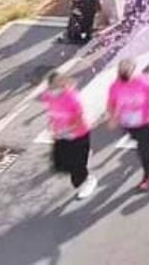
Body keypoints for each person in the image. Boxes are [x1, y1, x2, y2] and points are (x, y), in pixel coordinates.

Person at [105, 58, 149, 192]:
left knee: (143, 151)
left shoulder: (146, 81)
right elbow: (110, 103)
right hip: (128, 124)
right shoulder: (116, 86)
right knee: (136, 139)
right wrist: (113, 117)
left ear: (135, 72)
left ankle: (148, 175)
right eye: (122, 77)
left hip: (146, 121)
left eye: (128, 77)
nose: (125, 80)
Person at [41, 70, 98, 200]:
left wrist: (69, 130)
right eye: (53, 86)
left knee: (76, 167)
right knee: (60, 163)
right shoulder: (48, 96)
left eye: (59, 85)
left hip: (77, 134)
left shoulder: (71, 97)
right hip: (61, 133)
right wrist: (52, 126)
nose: (55, 88)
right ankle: (84, 157)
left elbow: (79, 117)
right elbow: (51, 111)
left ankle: (87, 182)